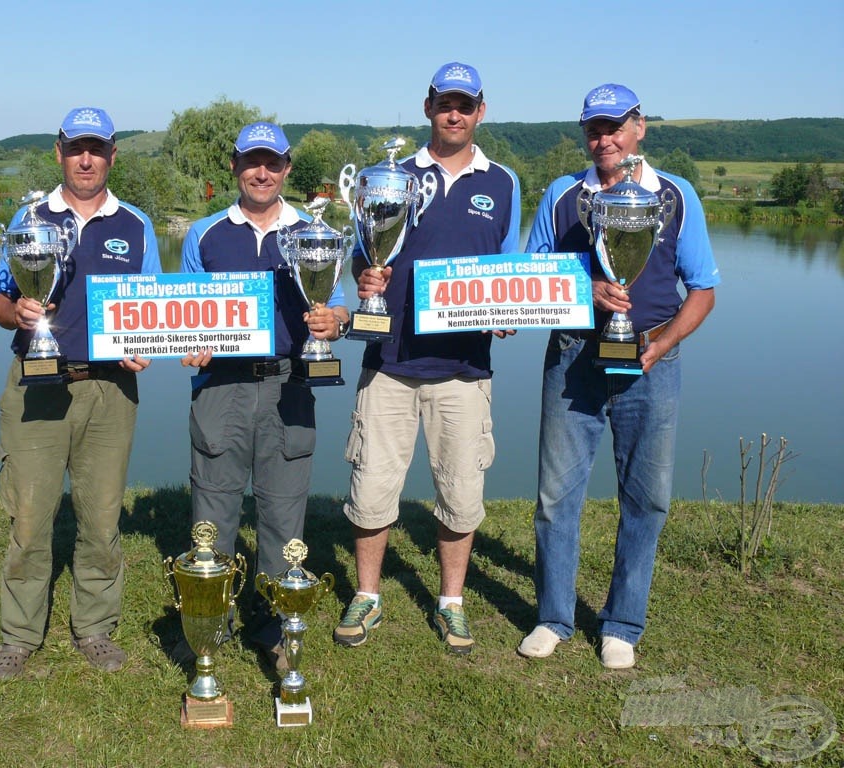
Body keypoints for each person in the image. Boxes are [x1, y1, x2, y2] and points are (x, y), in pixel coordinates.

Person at [517, 84, 720, 669]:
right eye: (592, 129)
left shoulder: (676, 196)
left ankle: (622, 624)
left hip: (651, 362)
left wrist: (660, 344)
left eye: (613, 126)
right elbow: (531, 277)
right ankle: (554, 616)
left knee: (648, 499)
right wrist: (586, 287)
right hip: (573, 358)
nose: (602, 138)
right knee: (556, 496)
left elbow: (702, 290)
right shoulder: (562, 194)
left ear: (639, 128)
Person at [334, 62, 521, 655]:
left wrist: (508, 308)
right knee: (371, 490)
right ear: (428, 107)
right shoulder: (391, 176)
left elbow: (507, 269)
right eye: (445, 103)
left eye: (466, 104)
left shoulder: (504, 183)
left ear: (481, 111)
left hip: (465, 369)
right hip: (390, 361)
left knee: (462, 493)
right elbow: (362, 255)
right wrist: (364, 280)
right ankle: (368, 594)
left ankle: (452, 602)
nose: (455, 113)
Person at [0, 107, 160, 680]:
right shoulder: (30, 216)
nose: (87, 159)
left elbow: (153, 305)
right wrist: (19, 312)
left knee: (102, 517)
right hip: (37, 385)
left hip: (111, 389)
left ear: (113, 155)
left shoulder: (135, 225)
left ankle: (95, 628)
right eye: (77, 148)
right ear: (59, 151)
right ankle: (18, 635)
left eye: (98, 148)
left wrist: (148, 343)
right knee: (31, 517)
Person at [179, 121, 350, 668]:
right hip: (220, 387)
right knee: (214, 508)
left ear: (287, 169)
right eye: (252, 161)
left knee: (282, 515)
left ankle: (279, 626)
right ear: (234, 166)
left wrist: (335, 321)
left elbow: (342, 303)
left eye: (272, 163)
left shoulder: (314, 232)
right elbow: (186, 311)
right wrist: (192, 341)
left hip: (289, 384)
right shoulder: (203, 234)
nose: (262, 172)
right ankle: (211, 619)